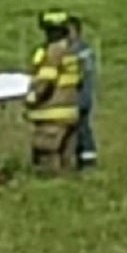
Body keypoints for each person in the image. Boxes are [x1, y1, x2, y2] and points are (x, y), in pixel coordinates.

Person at [25, 10, 82, 174]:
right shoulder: (71, 51)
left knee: (47, 158)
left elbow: (45, 80)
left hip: (51, 113)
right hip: (70, 111)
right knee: (67, 158)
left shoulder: (53, 52)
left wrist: (31, 98)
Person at [67, 15, 98, 170]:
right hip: (71, 98)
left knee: (82, 129)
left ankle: (87, 160)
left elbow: (83, 76)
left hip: (81, 97)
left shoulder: (83, 51)